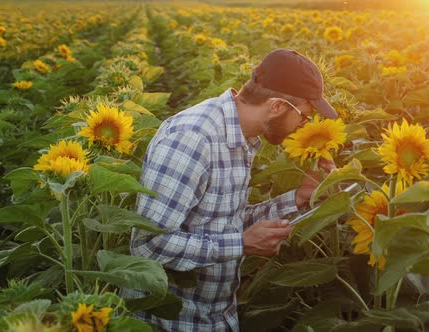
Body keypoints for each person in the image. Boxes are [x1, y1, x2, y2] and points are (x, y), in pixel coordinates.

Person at [122, 48, 339, 331]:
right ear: (276, 107)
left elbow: (221, 224)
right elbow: (149, 245)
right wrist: (241, 244)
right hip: (174, 320)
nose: (303, 126)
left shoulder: (240, 139)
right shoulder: (193, 139)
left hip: (214, 315)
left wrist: (299, 197)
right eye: (304, 117)